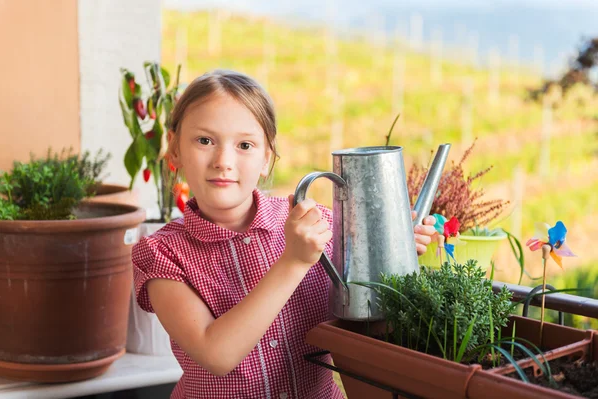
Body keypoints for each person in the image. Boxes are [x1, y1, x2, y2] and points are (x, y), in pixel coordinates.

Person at [132, 69, 437, 399]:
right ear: (174, 150)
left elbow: (364, 311)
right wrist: (293, 262)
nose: (223, 161)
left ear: (266, 158)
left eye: (245, 145)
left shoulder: (317, 225)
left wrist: (392, 252)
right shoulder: (162, 253)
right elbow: (215, 354)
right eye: (205, 140)